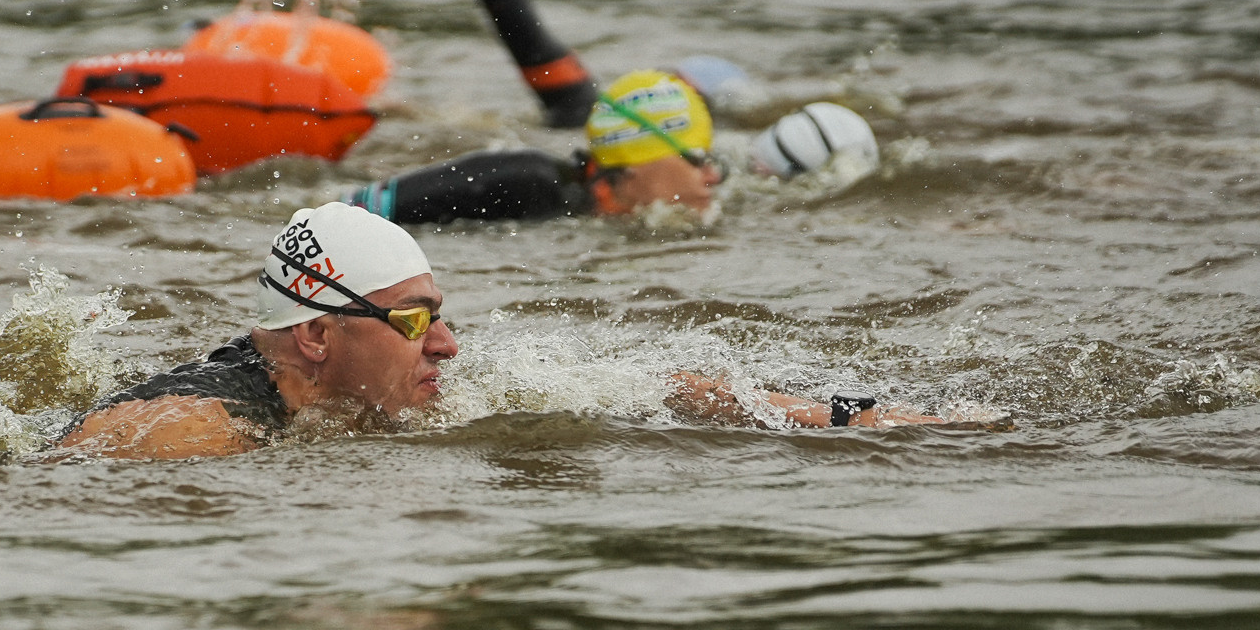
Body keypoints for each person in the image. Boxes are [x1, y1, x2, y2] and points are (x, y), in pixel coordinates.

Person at [56, 203, 957, 460]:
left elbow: (663, 388)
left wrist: (858, 419)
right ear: (320, 338)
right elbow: (72, 473)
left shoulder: (401, 392)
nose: (446, 346)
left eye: (439, 317)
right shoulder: (206, 422)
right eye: (414, 321)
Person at [337, 0, 879, 227]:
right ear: (644, 161)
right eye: (699, 159)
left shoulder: (682, 181)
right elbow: (510, 10)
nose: (715, 173)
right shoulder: (523, 181)